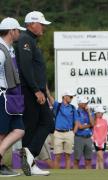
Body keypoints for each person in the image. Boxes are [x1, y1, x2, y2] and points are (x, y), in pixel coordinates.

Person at [15, 11, 54, 176]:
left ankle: (29, 161)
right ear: (31, 24)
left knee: (32, 127)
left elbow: (36, 70)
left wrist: (44, 90)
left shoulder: (31, 41)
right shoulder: (25, 40)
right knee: (46, 123)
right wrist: (37, 90)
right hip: (31, 91)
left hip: (35, 91)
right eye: (41, 23)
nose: (43, 26)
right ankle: (29, 157)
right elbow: (25, 68)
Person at [0, 17, 25, 177]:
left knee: (19, 129)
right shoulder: (1, 50)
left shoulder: (9, 48)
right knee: (2, 133)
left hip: (10, 95)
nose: (19, 33)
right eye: (17, 30)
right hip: (2, 95)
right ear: (11, 31)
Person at [47, 89, 79, 169]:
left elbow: (77, 122)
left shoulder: (72, 108)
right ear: (64, 97)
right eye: (70, 97)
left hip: (69, 133)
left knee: (68, 156)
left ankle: (67, 176)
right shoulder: (57, 105)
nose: (72, 98)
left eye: (72, 97)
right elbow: (49, 96)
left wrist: (73, 133)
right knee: (57, 156)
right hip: (58, 133)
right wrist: (46, 87)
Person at [74, 96, 94, 169]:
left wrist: (88, 112)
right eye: (84, 102)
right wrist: (89, 125)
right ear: (79, 103)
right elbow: (80, 126)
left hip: (88, 138)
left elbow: (93, 123)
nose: (86, 103)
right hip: (79, 137)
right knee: (77, 159)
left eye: (87, 102)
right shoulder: (76, 112)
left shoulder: (89, 112)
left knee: (88, 159)